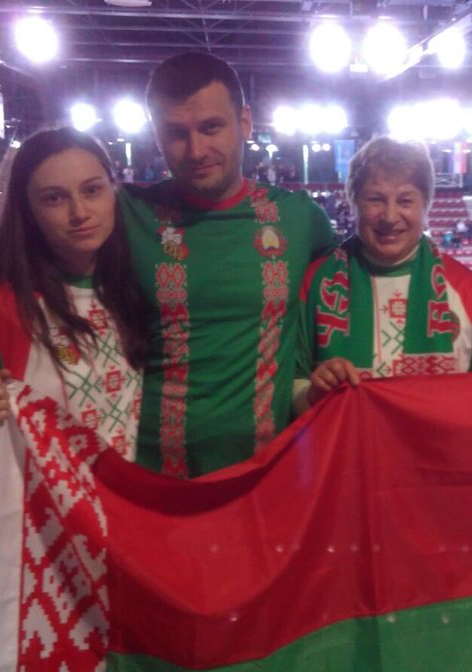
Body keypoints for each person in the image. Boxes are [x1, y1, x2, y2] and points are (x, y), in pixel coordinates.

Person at [0, 126, 149, 643]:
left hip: (124, 551)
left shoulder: (136, 290)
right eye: (54, 198)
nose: (79, 212)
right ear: (28, 209)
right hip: (30, 562)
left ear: (115, 190)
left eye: (92, 190)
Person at [120, 51, 336, 477]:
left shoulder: (299, 217)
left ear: (245, 123)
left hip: (266, 478)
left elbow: (353, 289)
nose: (196, 149)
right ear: (156, 136)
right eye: (176, 133)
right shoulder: (126, 215)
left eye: (211, 127)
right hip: (151, 481)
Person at [294, 137, 472, 410]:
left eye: (405, 200)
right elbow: (289, 386)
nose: (390, 217)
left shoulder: (471, 292)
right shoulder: (313, 284)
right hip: (346, 452)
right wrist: (312, 394)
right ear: (353, 202)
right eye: (375, 199)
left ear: (426, 205)